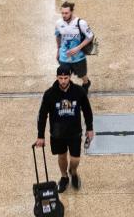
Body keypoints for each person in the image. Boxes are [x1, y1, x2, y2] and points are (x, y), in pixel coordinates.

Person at [35, 65, 95, 193]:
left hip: (75, 133)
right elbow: (42, 115)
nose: (63, 81)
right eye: (60, 78)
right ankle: (64, 177)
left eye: (65, 78)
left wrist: (90, 128)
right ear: (57, 77)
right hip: (57, 134)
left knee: (75, 159)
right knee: (62, 157)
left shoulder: (79, 91)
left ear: (70, 77)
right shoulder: (49, 94)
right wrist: (40, 136)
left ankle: (73, 171)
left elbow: (87, 111)